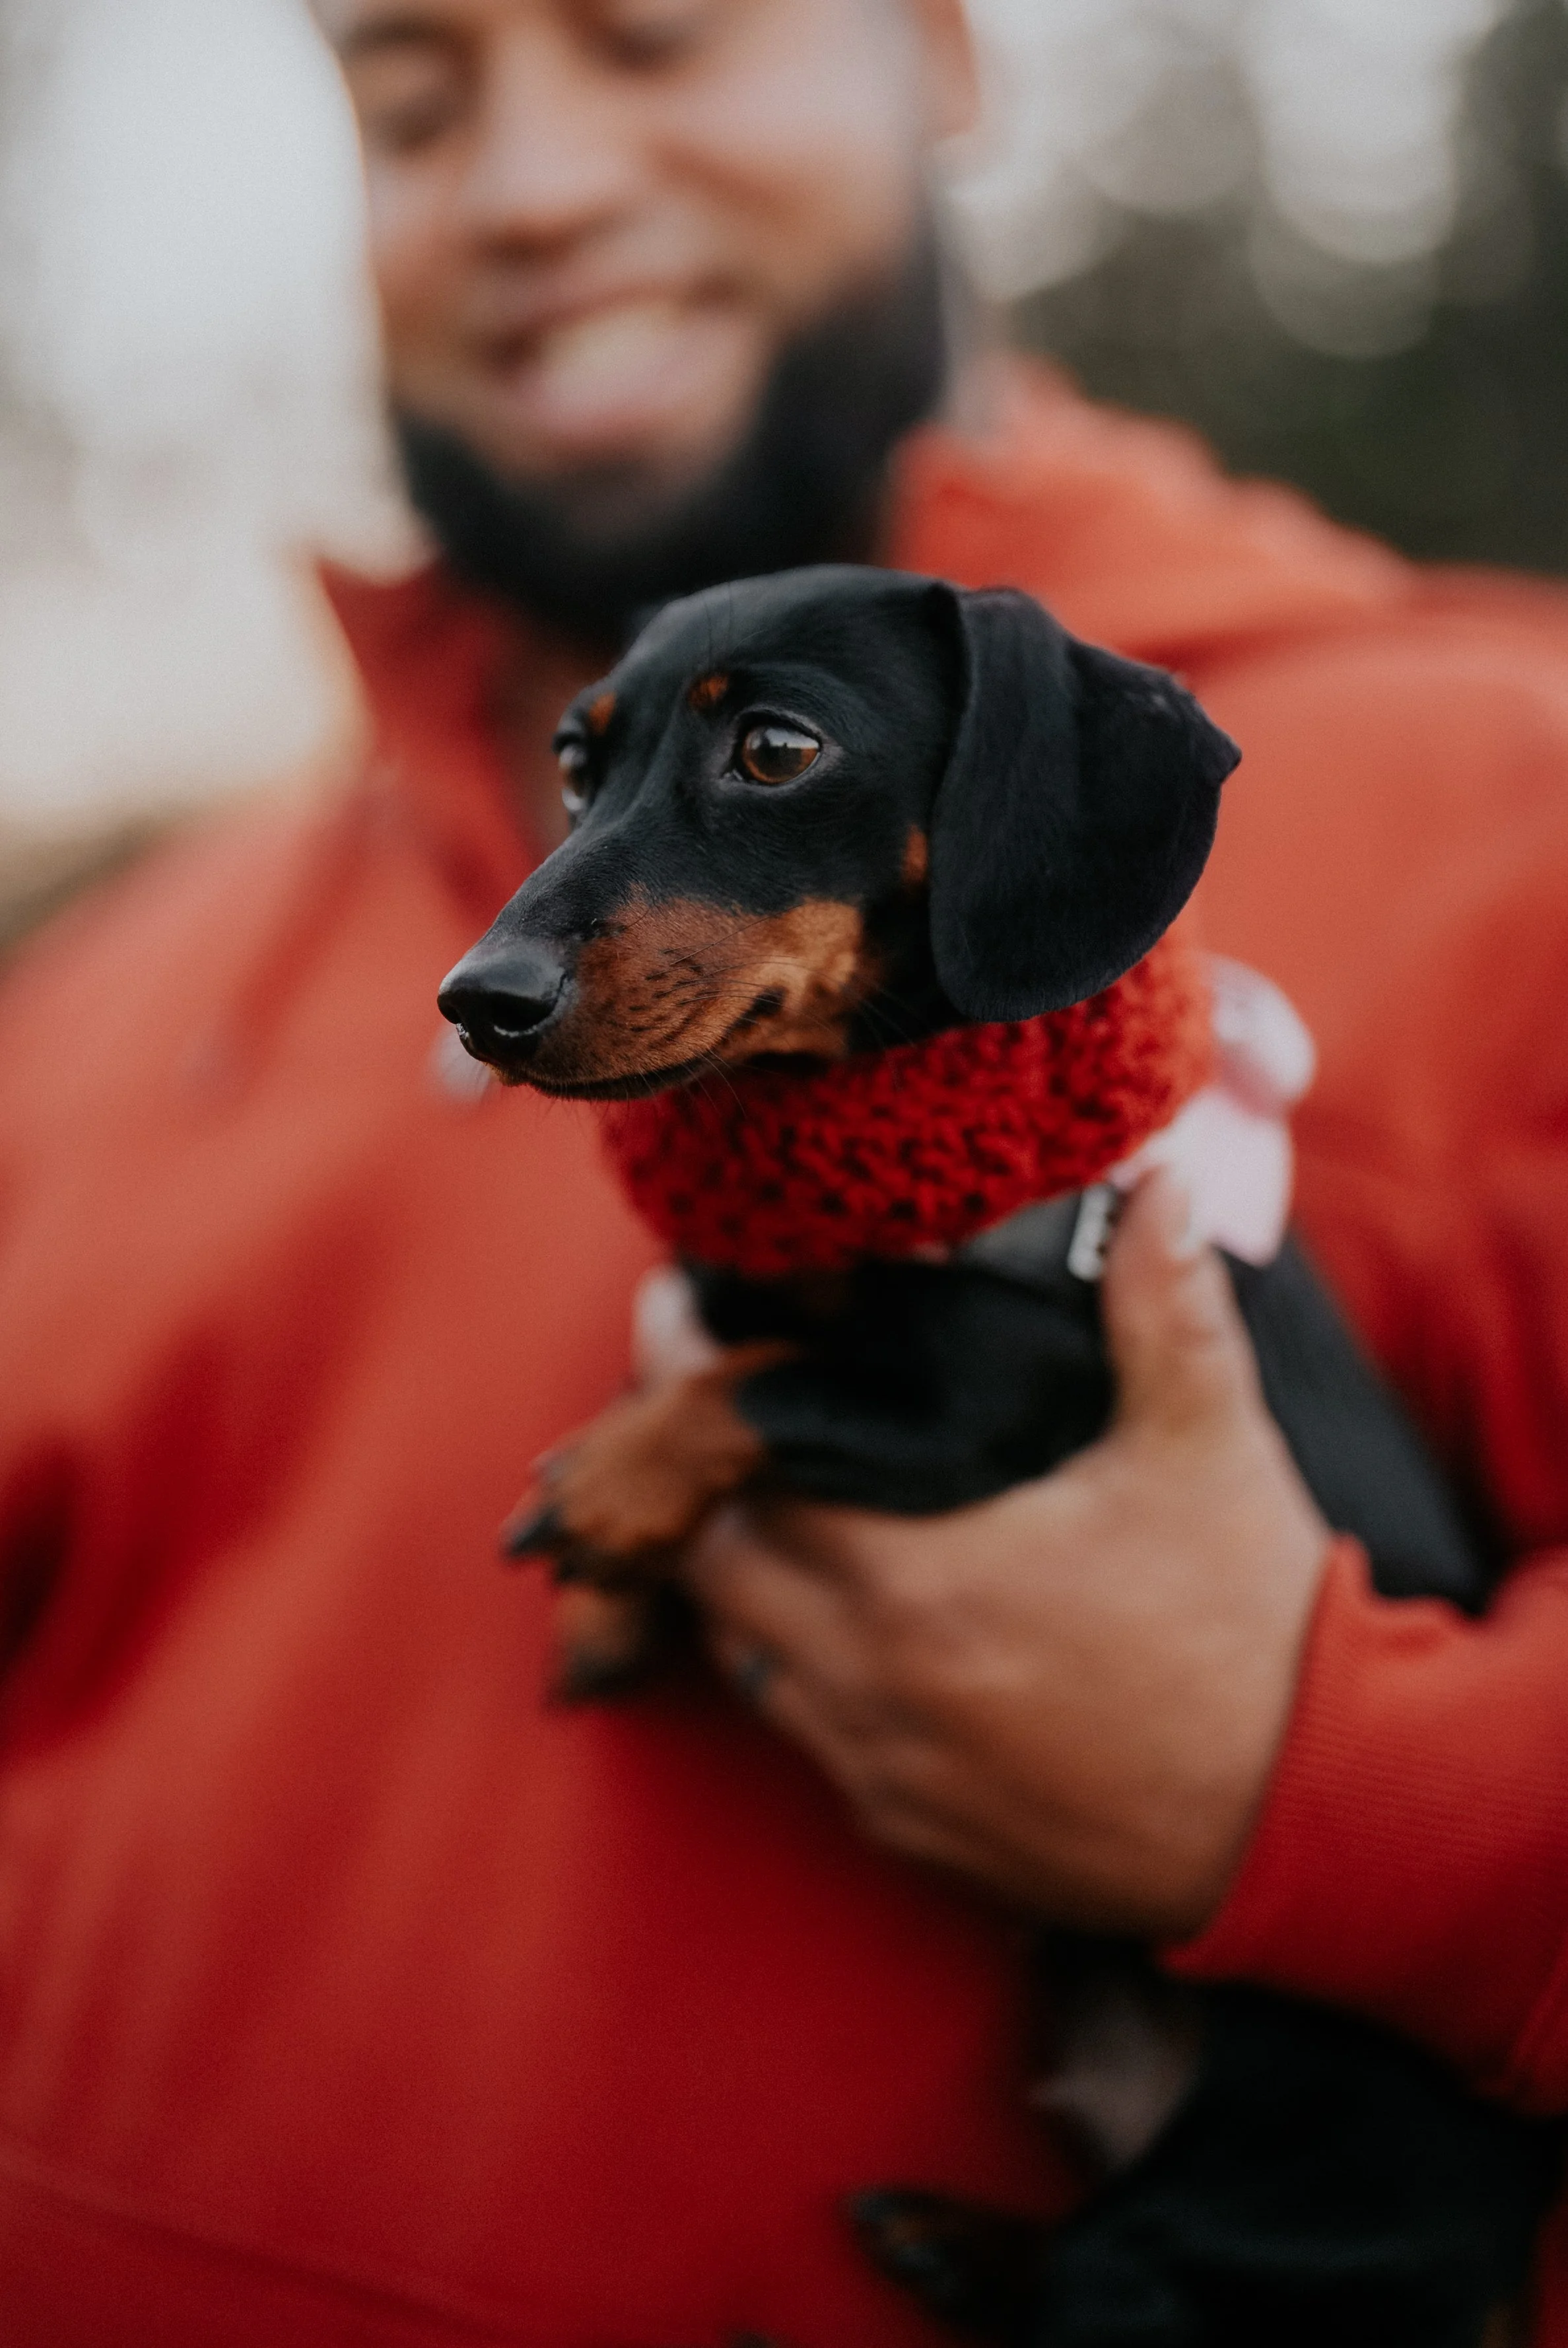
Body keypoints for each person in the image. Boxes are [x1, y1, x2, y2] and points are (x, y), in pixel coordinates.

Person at [1, 1, 1567, 2341]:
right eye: (412, 94)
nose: (530, 184)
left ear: (935, 48)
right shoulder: (108, 990)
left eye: (653, 36)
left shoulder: (1515, 803)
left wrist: (1328, 1786)